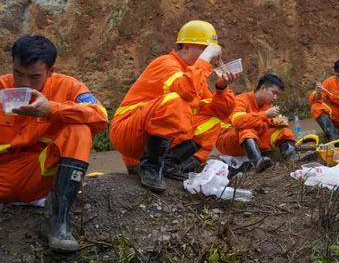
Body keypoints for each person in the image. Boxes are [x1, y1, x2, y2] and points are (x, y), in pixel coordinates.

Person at [0, 35, 108, 252]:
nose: (24, 83)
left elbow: (100, 116)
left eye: (34, 77)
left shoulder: (68, 87)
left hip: (37, 174)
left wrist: (51, 109)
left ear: (50, 71)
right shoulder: (2, 87)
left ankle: (59, 219)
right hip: (3, 173)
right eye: (18, 73)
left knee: (79, 129)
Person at [110, 20, 238, 192]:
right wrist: (205, 58)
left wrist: (222, 88)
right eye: (204, 49)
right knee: (177, 101)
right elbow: (186, 91)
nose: (208, 56)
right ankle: (151, 166)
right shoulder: (166, 63)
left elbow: (221, 113)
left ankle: (170, 164)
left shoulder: (193, 74)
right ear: (186, 47)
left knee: (214, 121)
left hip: (145, 134)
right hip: (128, 132)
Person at [216, 74, 299, 173]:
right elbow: (238, 122)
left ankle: (292, 159)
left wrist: (278, 121)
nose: (276, 97)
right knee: (246, 129)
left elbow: (270, 123)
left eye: (278, 95)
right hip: (228, 140)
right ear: (263, 88)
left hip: (253, 138)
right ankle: (258, 162)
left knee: (283, 132)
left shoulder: (267, 105)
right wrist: (265, 115)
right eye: (274, 93)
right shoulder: (241, 99)